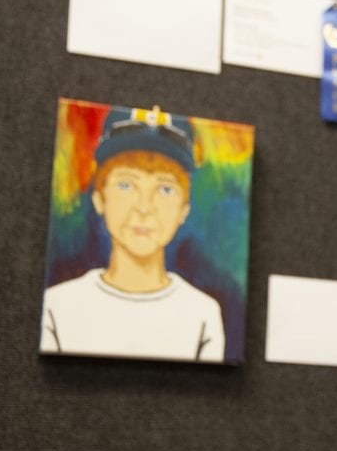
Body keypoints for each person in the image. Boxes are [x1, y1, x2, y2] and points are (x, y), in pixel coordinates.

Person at [40, 106, 225, 363]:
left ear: (184, 210)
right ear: (99, 198)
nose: (144, 207)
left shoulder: (202, 314)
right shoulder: (57, 306)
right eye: (126, 185)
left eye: (166, 189)